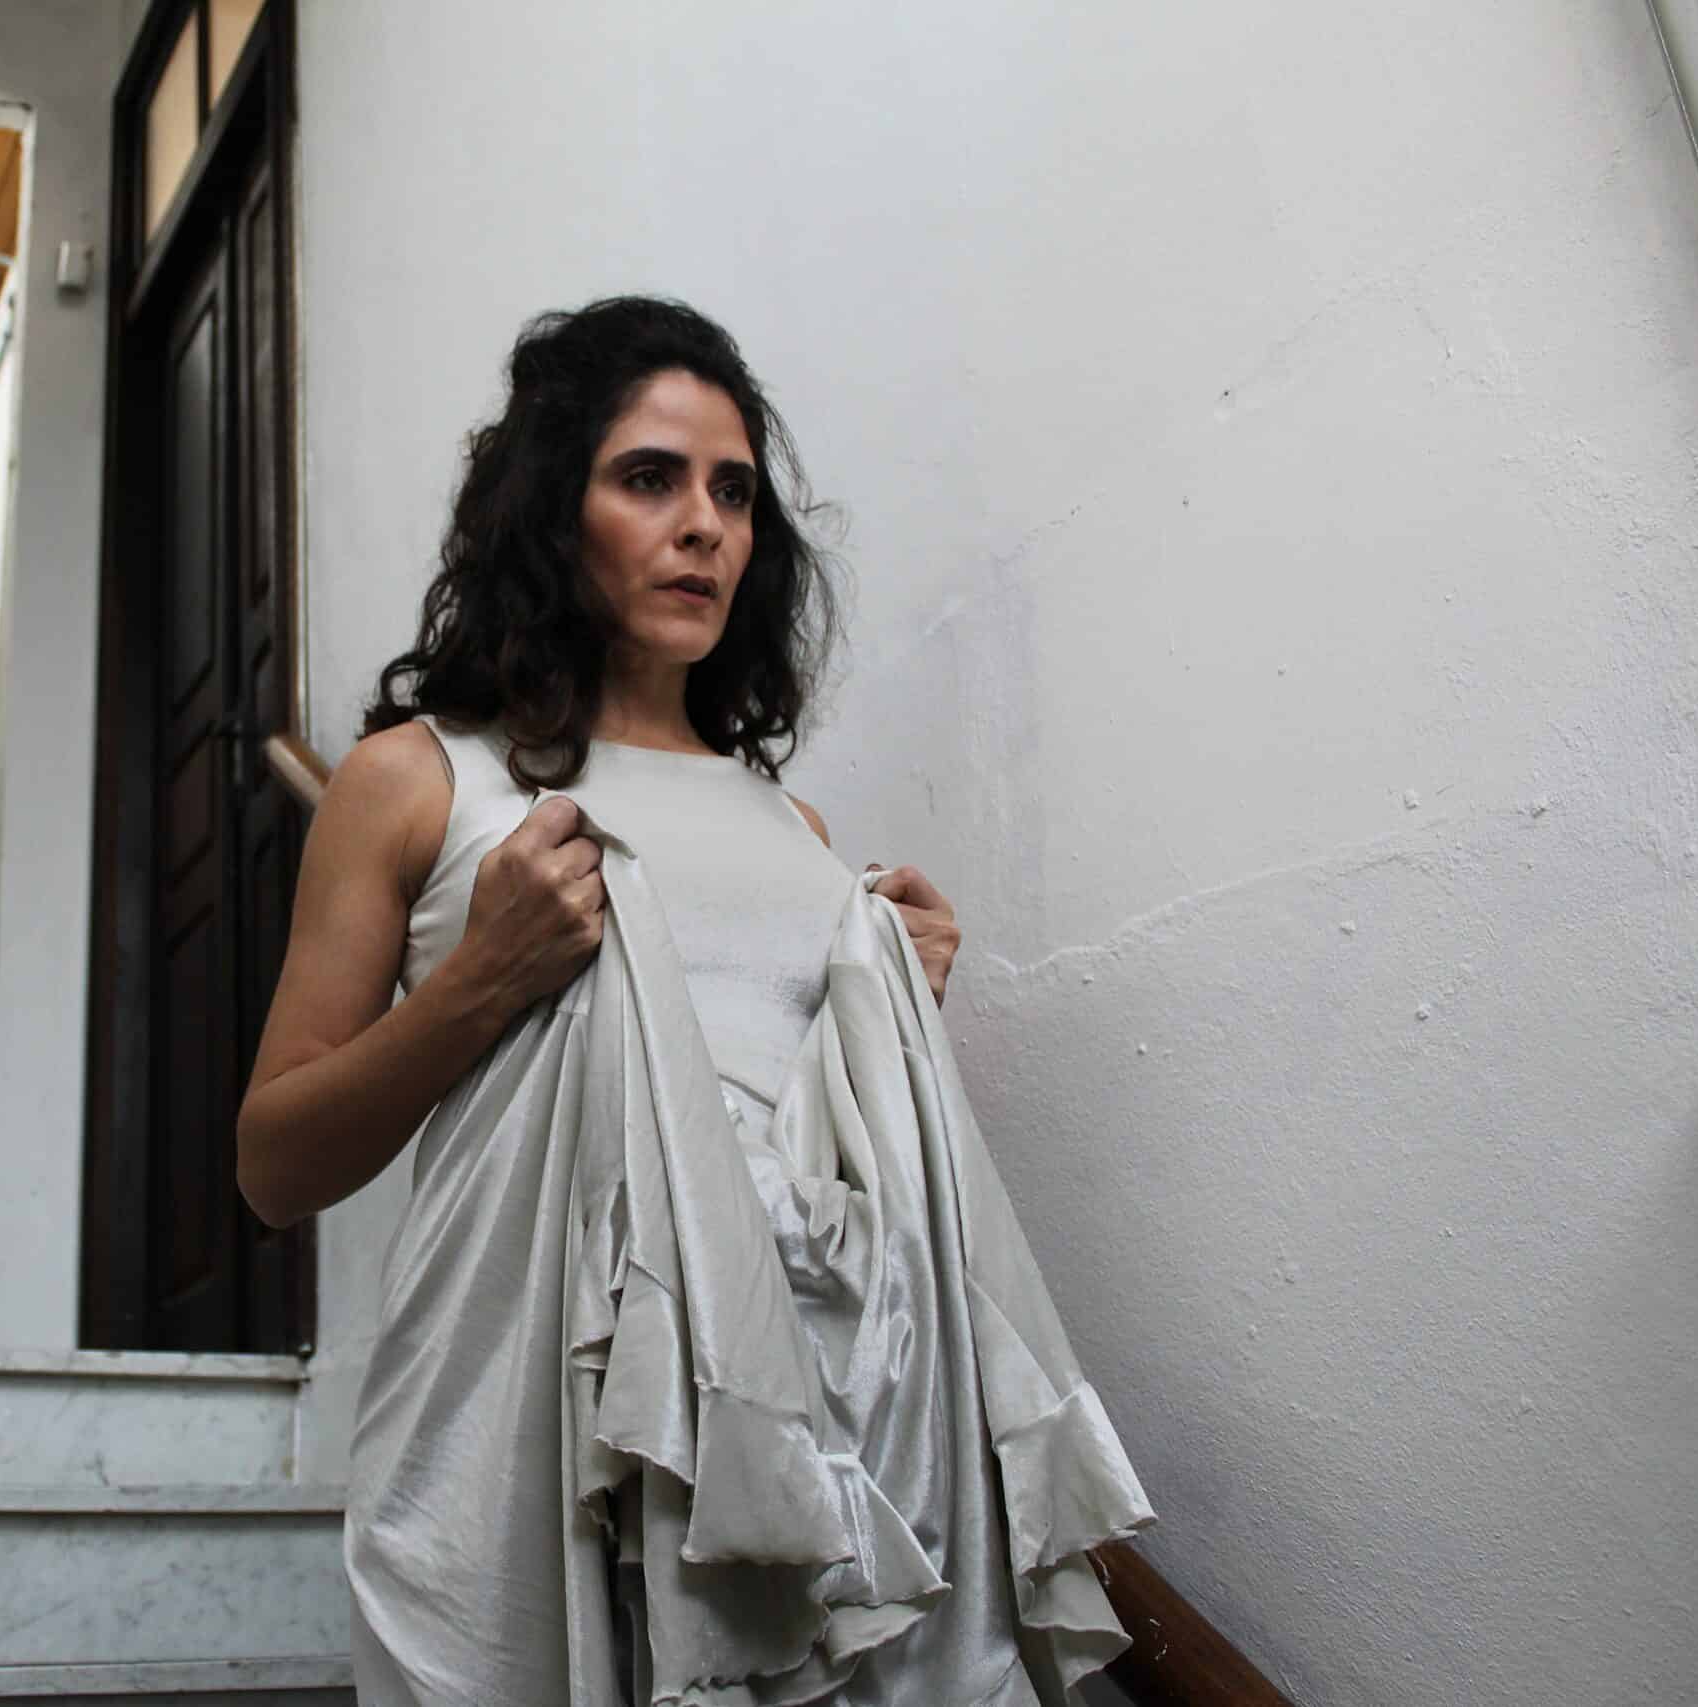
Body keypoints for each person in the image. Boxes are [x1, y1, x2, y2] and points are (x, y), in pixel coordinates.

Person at [236, 297, 1146, 1704]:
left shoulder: (796, 829)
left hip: (801, 1438)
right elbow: (275, 1164)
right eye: (649, 478)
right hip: (509, 1430)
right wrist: (479, 981)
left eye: (733, 492)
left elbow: (792, 1155)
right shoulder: (418, 778)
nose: (704, 527)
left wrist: (890, 1010)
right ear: (553, 509)